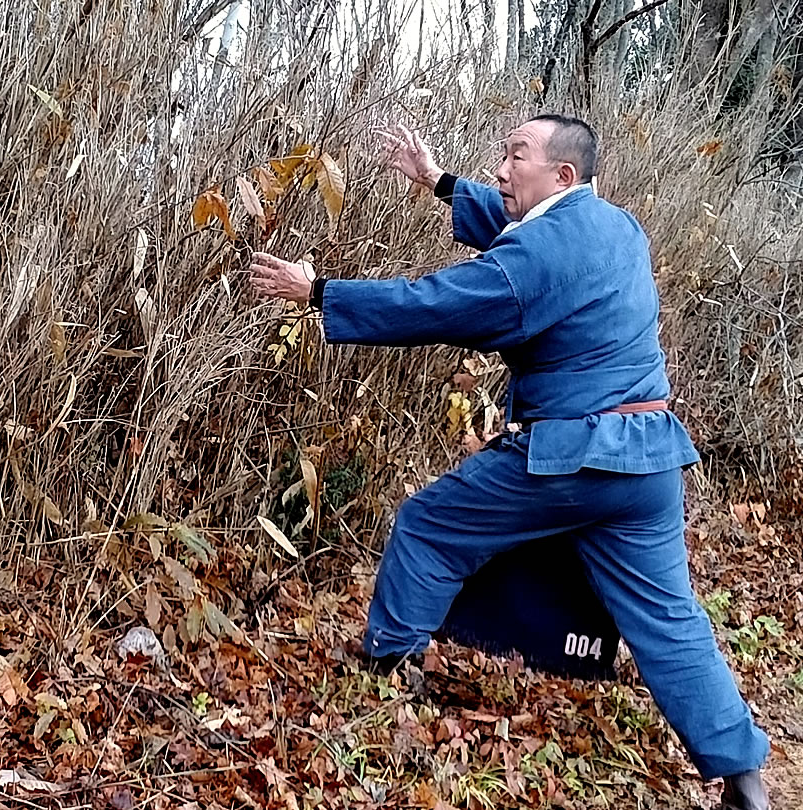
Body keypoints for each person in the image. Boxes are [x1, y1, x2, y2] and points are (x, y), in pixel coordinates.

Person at [249, 116, 771, 810]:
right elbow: (517, 223)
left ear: (562, 174)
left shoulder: (538, 256)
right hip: (648, 461)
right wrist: (437, 181)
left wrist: (320, 293)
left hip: (573, 457)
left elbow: (439, 303)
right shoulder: (620, 228)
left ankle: (387, 664)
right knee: (669, 618)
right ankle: (744, 776)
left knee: (430, 523)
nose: (500, 167)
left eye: (515, 155)